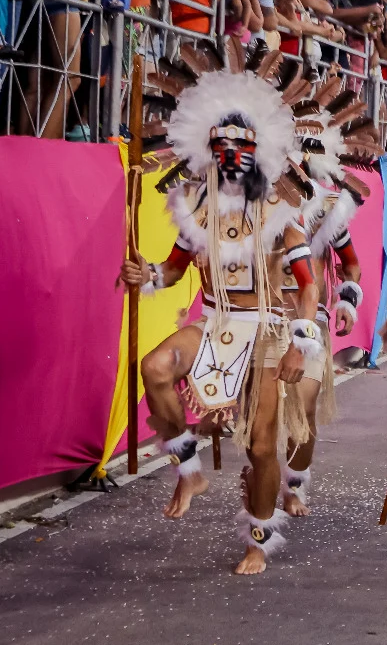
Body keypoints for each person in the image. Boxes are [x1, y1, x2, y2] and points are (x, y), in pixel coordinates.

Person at [117, 48, 323, 575]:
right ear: (208, 152)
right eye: (221, 148)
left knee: (260, 446)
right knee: (154, 368)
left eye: (241, 147)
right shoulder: (195, 208)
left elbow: (308, 283)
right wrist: (149, 275)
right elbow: (174, 270)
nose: (230, 156)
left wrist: (301, 345)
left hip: (268, 332)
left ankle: (259, 537)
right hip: (214, 322)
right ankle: (188, 469)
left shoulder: (281, 210)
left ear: (258, 153)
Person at [279, 78, 380, 517]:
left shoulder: (325, 207)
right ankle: (263, 473)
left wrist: (346, 301)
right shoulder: (248, 200)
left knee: (301, 408)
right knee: (262, 415)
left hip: (310, 318)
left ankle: (295, 481)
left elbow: (352, 264)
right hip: (258, 319)